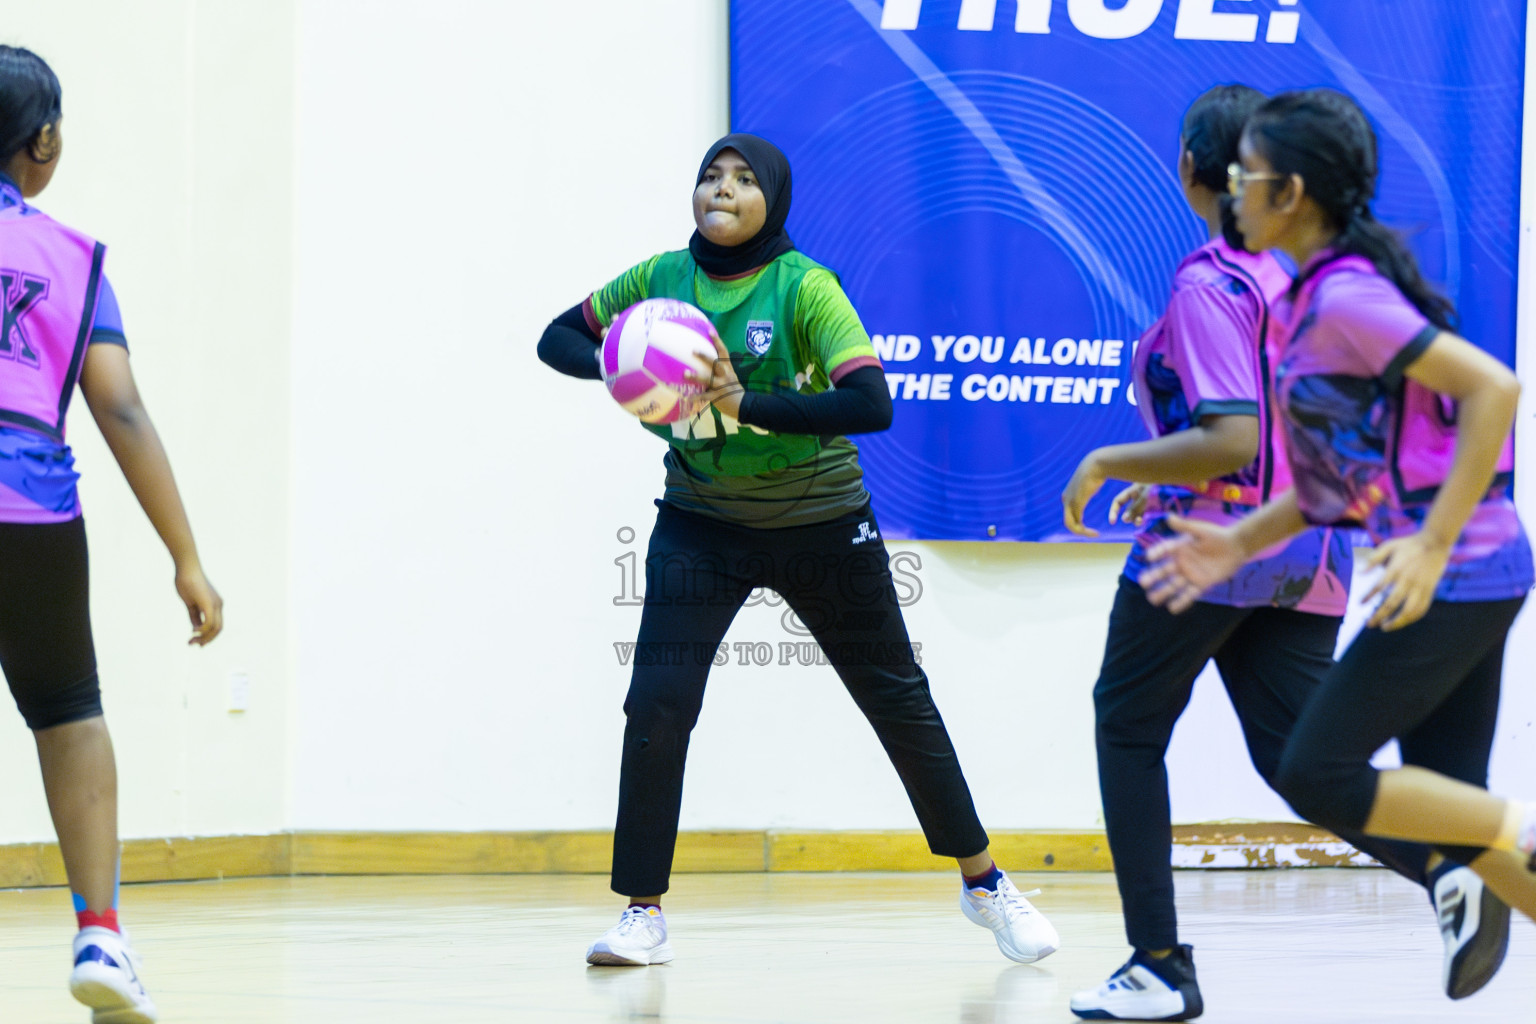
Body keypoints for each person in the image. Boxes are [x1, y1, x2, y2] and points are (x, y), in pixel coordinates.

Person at [537, 133, 1057, 968]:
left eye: (745, 180)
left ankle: (984, 882)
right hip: (701, 522)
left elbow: (870, 403)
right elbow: (554, 339)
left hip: (822, 521)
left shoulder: (805, 286)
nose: (724, 189)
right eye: (712, 175)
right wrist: (631, 364)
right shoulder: (659, 281)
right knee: (657, 706)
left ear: (772, 199)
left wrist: (750, 403)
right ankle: (642, 912)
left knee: (898, 699)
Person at [1059, 85, 1507, 1021]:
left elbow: (1232, 437)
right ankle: (1465, 873)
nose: (1237, 185)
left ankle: (1159, 964)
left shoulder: (1247, 284)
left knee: (1163, 734)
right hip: (1346, 558)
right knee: (1345, 782)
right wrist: (1218, 513)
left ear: (1269, 186)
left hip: (1356, 558)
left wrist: (1112, 459)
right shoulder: (1301, 286)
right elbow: (1305, 460)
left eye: (1250, 174)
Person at [0, 46, 224, 1024]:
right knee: (69, 708)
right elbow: (121, 411)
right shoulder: (70, 256)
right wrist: (187, 558)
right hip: (31, 502)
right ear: (43, 143)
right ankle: (101, 932)